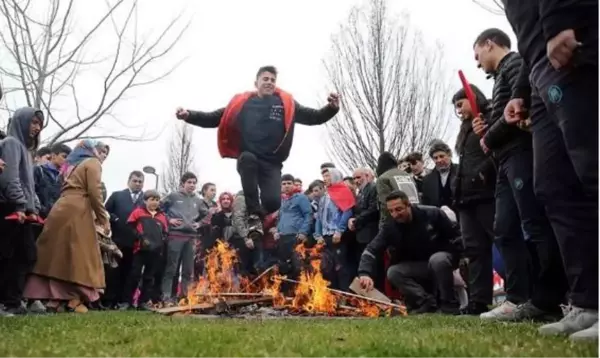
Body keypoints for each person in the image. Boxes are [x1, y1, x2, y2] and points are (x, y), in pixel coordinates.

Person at [502, 1, 598, 340]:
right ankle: (588, 302)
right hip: (538, 67)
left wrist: (563, 19)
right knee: (553, 186)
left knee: (593, 169)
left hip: (567, 38)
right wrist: (520, 91)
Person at [472, 28, 567, 322]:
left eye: (477, 55)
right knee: (504, 228)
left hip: (520, 154)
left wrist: (488, 137)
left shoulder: (514, 65)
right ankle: (517, 297)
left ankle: (550, 297)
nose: (477, 63)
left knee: (533, 224)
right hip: (505, 160)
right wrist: (486, 127)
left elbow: (517, 112)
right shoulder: (501, 77)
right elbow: (502, 114)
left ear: (489, 45)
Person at [175, 65, 340, 235]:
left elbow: (313, 116)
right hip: (249, 158)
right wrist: (189, 115)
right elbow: (214, 117)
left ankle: (259, 218)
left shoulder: (285, 103)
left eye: (272, 80)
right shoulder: (243, 103)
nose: (269, 83)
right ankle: (253, 214)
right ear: (256, 83)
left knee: (274, 202)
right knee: (247, 159)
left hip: (272, 163)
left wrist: (331, 108)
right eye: (265, 79)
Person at [23, 140, 110, 314]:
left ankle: (55, 300)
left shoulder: (69, 166)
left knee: (57, 255)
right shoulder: (92, 163)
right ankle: (74, 298)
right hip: (78, 209)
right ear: (93, 150)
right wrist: (103, 218)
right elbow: (95, 192)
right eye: (100, 151)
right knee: (82, 256)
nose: (101, 156)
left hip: (60, 207)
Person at [358, 191, 462, 315]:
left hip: (442, 260)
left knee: (437, 260)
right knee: (393, 272)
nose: (395, 214)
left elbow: (456, 237)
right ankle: (426, 302)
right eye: (391, 211)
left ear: (409, 205)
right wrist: (364, 273)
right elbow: (371, 250)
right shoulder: (390, 227)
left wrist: (461, 261)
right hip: (418, 266)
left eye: (399, 209)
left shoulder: (433, 214)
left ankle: (449, 304)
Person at [451, 85, 497, 315]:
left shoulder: (488, 118)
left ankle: (521, 294)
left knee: (501, 242)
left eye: (461, 103)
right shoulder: (465, 129)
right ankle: (479, 300)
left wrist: (483, 173)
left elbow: (496, 150)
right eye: (456, 106)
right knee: (474, 249)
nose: (458, 110)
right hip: (465, 197)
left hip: (486, 193)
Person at [0, 107, 43, 315]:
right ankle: (8, 302)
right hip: (9, 208)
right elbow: (9, 178)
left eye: (39, 124)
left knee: (26, 255)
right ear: (21, 121)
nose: (36, 127)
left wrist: (34, 207)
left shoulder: (26, 151)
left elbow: (29, 184)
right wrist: (19, 204)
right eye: (33, 122)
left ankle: (12, 301)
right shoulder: (10, 144)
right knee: (8, 255)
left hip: (23, 211)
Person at [160, 172, 206, 304]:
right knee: (171, 268)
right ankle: (167, 296)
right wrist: (169, 220)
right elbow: (159, 208)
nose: (192, 185)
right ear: (183, 184)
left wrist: (199, 223)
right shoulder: (173, 196)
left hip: (191, 237)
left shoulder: (198, 200)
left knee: (188, 269)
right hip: (175, 235)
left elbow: (207, 215)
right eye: (189, 182)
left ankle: (185, 296)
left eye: (194, 183)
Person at [103, 171, 145, 309]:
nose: (138, 184)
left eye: (140, 181)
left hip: (136, 243)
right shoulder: (117, 195)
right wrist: (114, 218)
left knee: (131, 274)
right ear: (129, 181)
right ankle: (109, 301)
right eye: (135, 181)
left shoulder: (146, 199)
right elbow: (104, 211)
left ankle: (125, 301)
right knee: (114, 271)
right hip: (118, 240)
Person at [122, 190, 168, 310]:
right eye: (152, 199)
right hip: (140, 250)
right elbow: (130, 226)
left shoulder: (162, 217)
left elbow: (165, 233)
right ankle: (127, 301)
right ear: (145, 200)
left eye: (157, 200)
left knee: (149, 277)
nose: (154, 202)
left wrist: (160, 244)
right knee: (134, 275)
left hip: (155, 252)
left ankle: (143, 302)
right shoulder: (138, 212)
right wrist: (140, 238)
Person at [314, 168, 355, 291]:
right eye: (324, 176)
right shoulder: (324, 196)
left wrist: (339, 230)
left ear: (335, 176)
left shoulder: (343, 191)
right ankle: (332, 295)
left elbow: (347, 211)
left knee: (340, 266)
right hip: (326, 236)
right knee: (328, 266)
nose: (324, 179)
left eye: (327, 176)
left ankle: (344, 294)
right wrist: (318, 235)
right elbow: (319, 218)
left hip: (337, 235)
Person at [271, 174, 312, 278]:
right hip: (282, 238)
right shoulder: (281, 200)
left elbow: (308, 215)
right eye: (284, 184)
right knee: (284, 267)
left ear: (294, 185)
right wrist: (277, 231)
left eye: (289, 183)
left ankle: (302, 292)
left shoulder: (301, 198)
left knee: (298, 267)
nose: (286, 186)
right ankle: (287, 293)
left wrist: (303, 232)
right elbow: (280, 218)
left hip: (296, 237)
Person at [34, 143, 72, 219]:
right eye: (64, 156)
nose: (66, 160)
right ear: (54, 156)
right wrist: (40, 210)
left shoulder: (62, 178)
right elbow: (31, 192)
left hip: (53, 219)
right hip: (37, 217)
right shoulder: (38, 170)